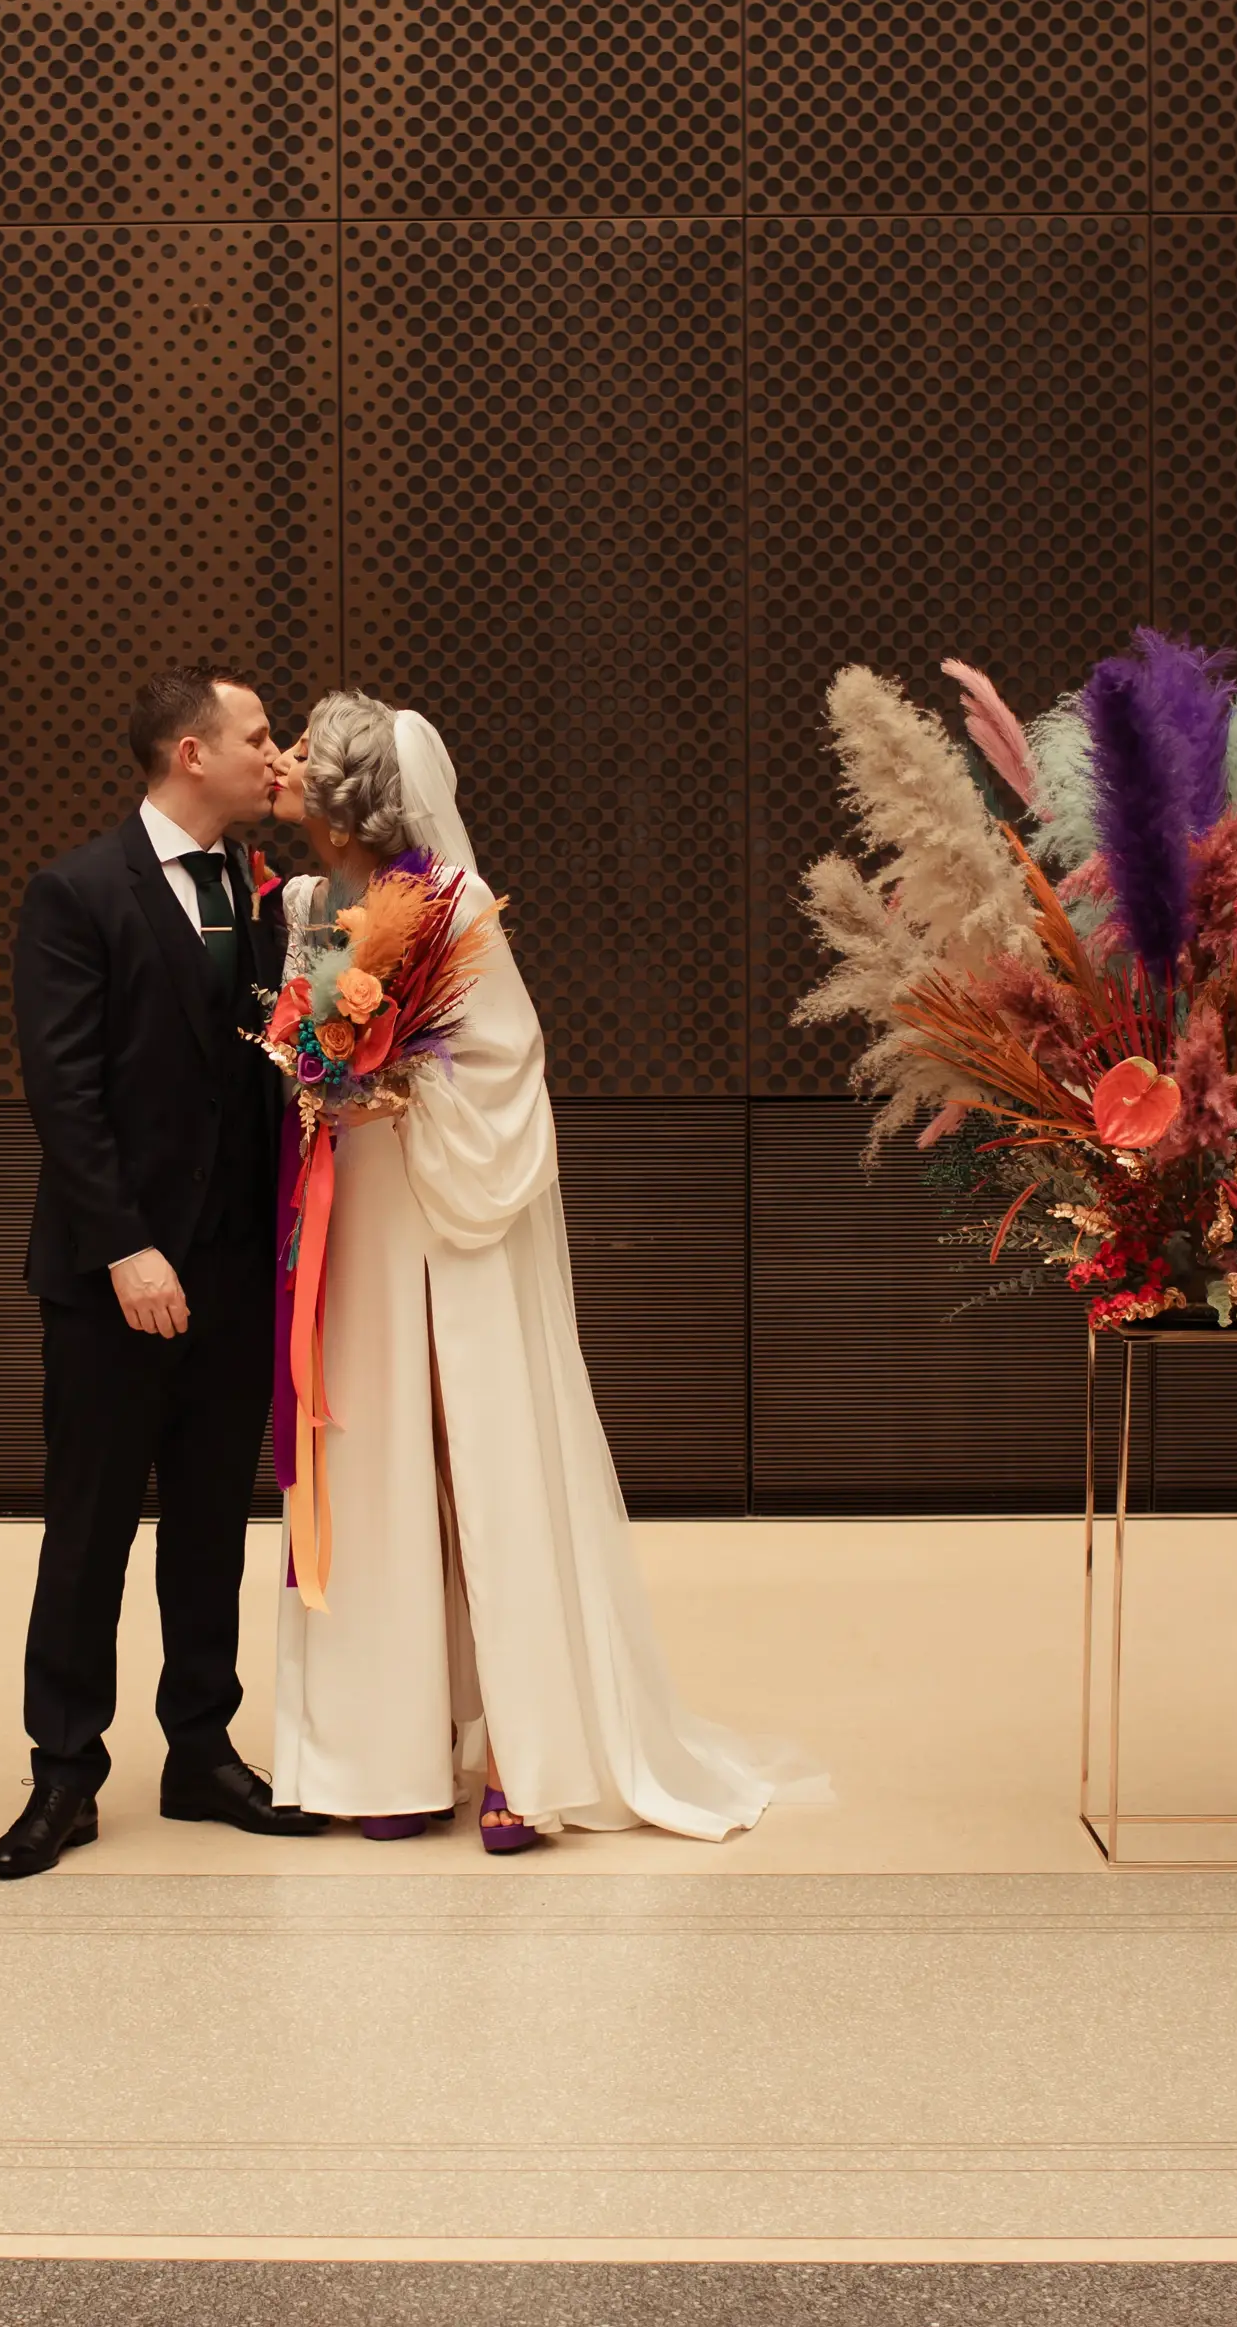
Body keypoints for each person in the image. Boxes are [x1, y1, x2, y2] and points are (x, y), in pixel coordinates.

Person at [266, 696, 811, 1848]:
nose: (288, 766)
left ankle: (528, 1747)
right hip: (356, 1212)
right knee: (376, 1458)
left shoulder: (452, 902)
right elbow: (309, 1039)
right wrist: (321, 1075)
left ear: (349, 792)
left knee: (479, 1455)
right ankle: (392, 1751)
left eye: (306, 756)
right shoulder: (313, 903)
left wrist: (403, 1085)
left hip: (443, 1206)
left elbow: (508, 1057)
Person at [0, 664, 328, 1877]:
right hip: (113, 1275)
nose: (274, 756)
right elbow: (64, 1094)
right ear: (192, 753)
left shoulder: (266, 889)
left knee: (207, 1529)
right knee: (88, 1531)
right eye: (257, 738)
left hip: (237, 1270)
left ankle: (201, 1752)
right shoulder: (77, 892)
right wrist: (128, 1245)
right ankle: (65, 1774)